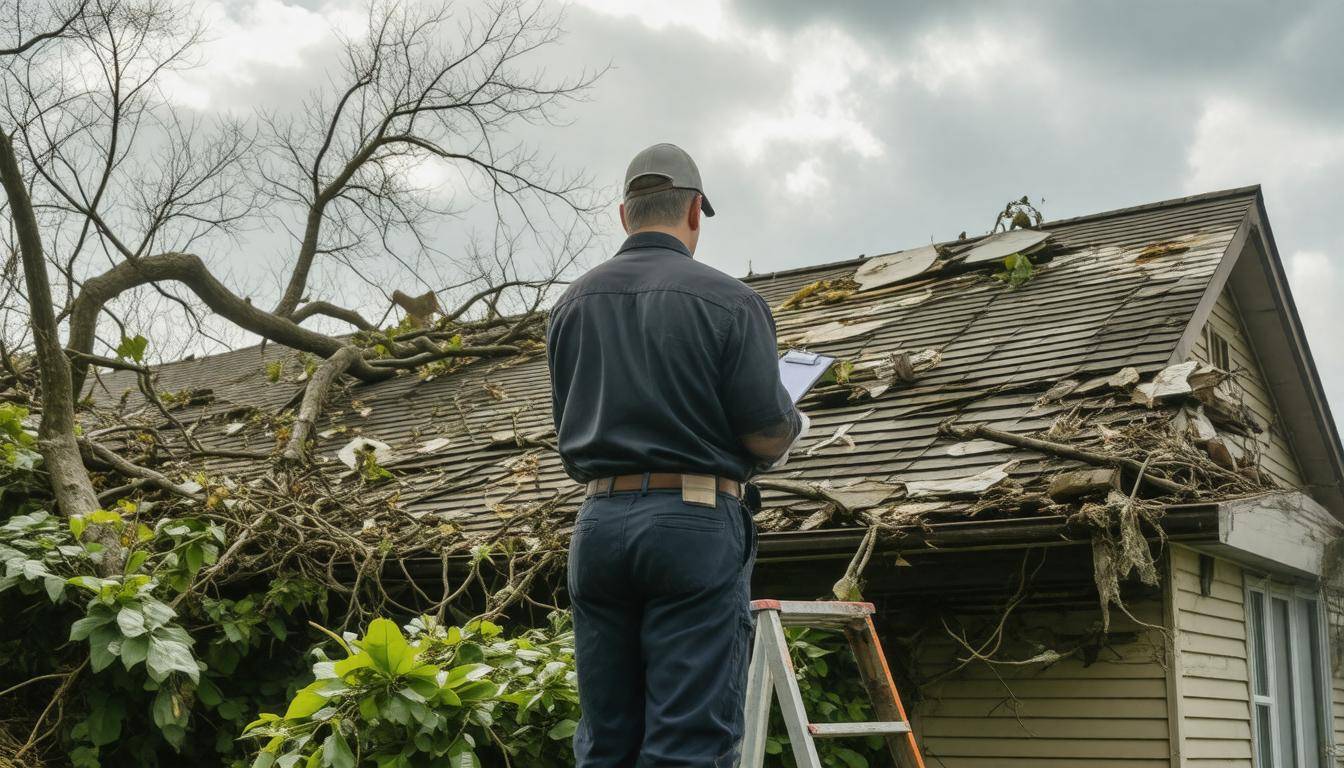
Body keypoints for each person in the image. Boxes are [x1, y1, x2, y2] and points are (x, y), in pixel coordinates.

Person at [547, 143, 807, 767]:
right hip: (692, 521)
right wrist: (793, 416)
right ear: (695, 212)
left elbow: (568, 423)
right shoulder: (730, 301)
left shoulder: (570, 305)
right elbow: (766, 433)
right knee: (688, 740)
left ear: (624, 214)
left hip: (599, 524)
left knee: (606, 739)